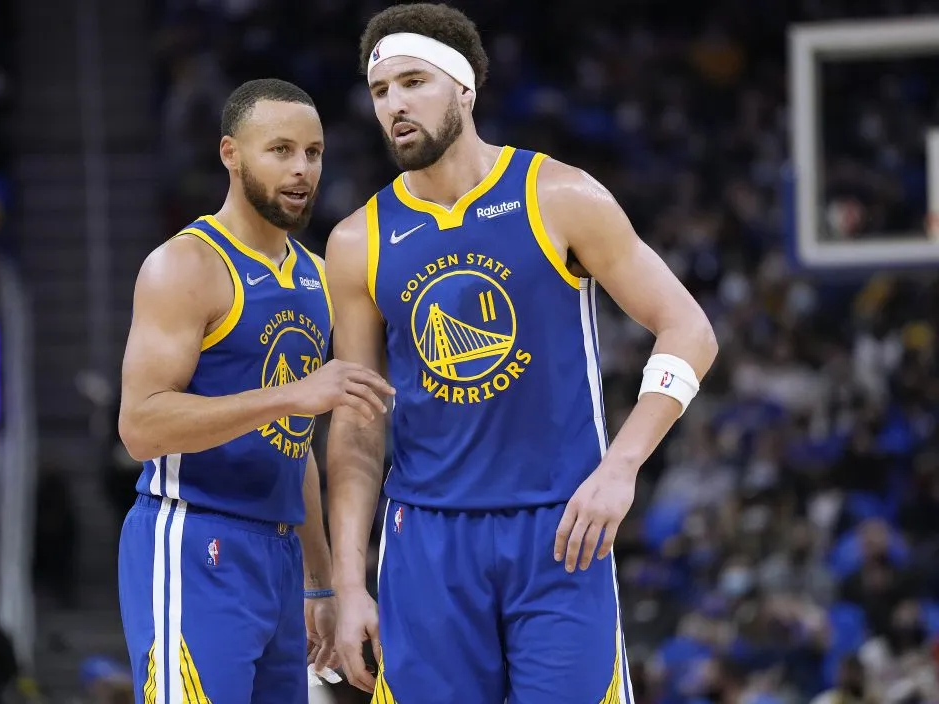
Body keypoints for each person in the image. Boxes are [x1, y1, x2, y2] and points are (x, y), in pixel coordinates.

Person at [324, 4, 719, 703]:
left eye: (413, 81)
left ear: (465, 89)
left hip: (560, 529)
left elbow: (689, 329)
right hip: (426, 541)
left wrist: (622, 466)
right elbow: (357, 424)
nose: (395, 105)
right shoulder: (358, 241)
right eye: (381, 91)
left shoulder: (559, 195)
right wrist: (350, 584)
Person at [116, 78, 394, 703]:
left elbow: (291, 448)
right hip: (192, 540)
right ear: (230, 153)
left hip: (279, 552)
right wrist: (293, 395)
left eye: (314, 153)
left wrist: (320, 582)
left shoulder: (317, 276)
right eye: (281, 150)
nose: (302, 170)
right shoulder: (185, 265)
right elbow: (140, 426)